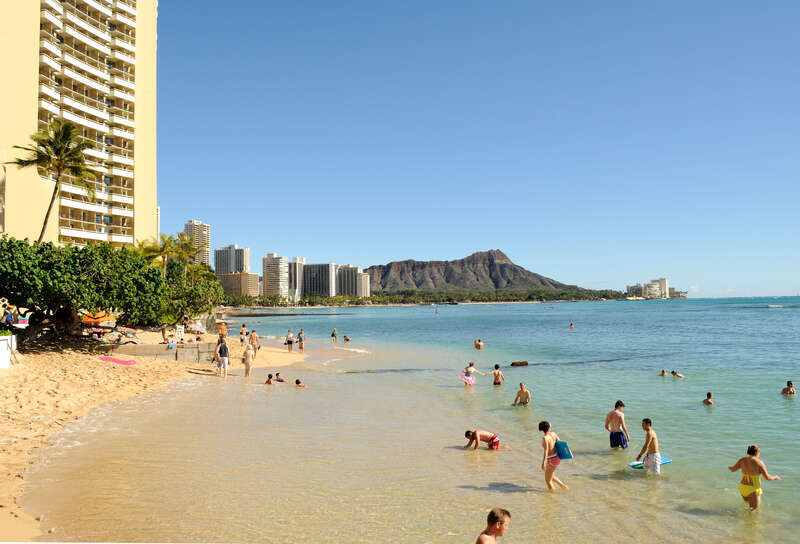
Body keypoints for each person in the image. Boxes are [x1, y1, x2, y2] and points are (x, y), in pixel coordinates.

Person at [728, 444, 781, 510]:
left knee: (748, 509)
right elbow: (767, 478)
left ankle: (740, 519)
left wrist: (729, 467)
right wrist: (775, 477)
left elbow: (733, 469)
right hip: (753, 489)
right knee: (754, 511)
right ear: (757, 452)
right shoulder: (759, 462)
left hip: (742, 487)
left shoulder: (742, 460)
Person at [539, 421, 568, 490]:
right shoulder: (553, 434)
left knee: (548, 480)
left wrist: (543, 463)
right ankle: (563, 486)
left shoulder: (545, 438)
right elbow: (560, 444)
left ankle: (552, 496)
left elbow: (546, 451)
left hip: (551, 459)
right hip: (556, 458)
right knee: (550, 475)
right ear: (549, 427)